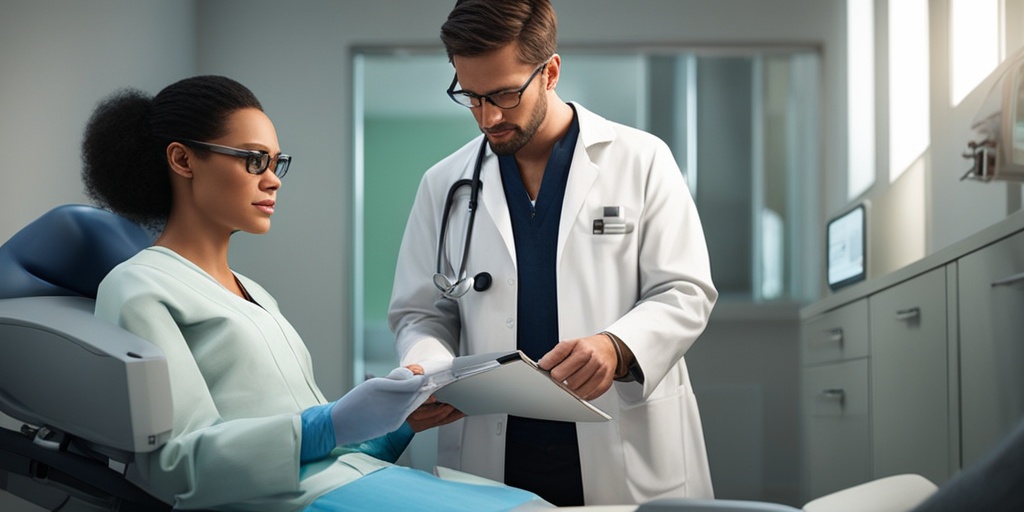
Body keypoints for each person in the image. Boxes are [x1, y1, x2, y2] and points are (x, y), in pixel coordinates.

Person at [84, 75, 546, 511]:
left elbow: (314, 449)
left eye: (276, 162)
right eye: (253, 160)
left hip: (349, 480)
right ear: (183, 160)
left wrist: (396, 424)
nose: (273, 179)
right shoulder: (139, 288)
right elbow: (174, 469)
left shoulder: (255, 295)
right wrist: (330, 422)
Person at [389, 0, 718, 506]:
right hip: (494, 452)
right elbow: (420, 312)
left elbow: (685, 290)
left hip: (622, 445)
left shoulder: (642, 159)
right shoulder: (443, 183)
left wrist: (616, 346)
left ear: (551, 72)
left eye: (504, 94)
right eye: (470, 96)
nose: (488, 117)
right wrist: (429, 365)